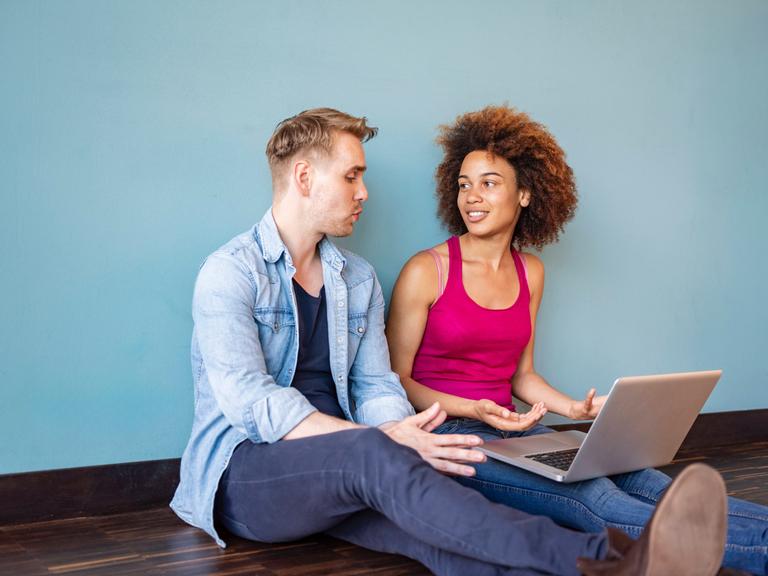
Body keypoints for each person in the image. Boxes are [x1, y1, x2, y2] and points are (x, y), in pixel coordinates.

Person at [170, 107, 731, 576]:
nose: (364, 192)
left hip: (351, 462)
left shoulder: (356, 278)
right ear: (303, 178)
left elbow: (376, 384)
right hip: (249, 476)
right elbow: (252, 401)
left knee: (442, 539)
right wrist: (385, 439)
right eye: (351, 176)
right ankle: (613, 558)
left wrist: (405, 433)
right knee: (374, 450)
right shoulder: (230, 273)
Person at [386, 104, 768, 575]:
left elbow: (521, 374)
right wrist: (471, 409)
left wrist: (575, 412)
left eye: (489, 183)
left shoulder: (531, 271)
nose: (472, 196)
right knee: (593, 496)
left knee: (642, 478)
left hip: (515, 429)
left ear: (525, 193)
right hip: (449, 436)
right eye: (464, 184)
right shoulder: (427, 270)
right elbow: (395, 380)